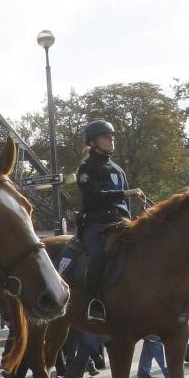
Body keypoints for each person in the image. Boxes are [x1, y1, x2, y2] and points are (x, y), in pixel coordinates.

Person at [74, 119, 146, 322]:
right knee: (97, 256)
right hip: (97, 224)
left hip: (122, 221)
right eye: (106, 137)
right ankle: (93, 301)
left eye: (112, 136)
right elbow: (93, 197)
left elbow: (125, 204)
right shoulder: (87, 168)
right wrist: (125, 193)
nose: (111, 139)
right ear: (93, 142)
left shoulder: (117, 168)